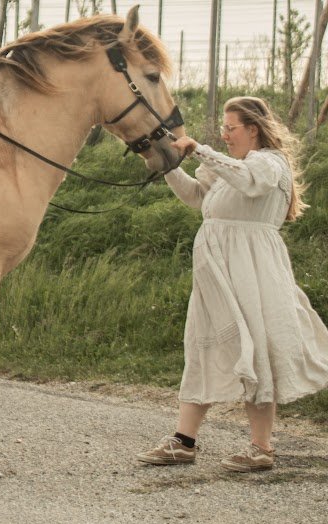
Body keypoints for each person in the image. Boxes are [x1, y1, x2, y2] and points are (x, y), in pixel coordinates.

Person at [136, 96, 328, 472]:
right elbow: (197, 197)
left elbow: (251, 184)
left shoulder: (268, 163)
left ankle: (261, 449)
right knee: (202, 345)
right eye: (222, 129)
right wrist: (165, 166)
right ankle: (184, 440)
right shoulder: (228, 166)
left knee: (256, 348)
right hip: (216, 270)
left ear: (252, 129)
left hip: (252, 269)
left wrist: (200, 150)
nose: (224, 135)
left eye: (231, 128)